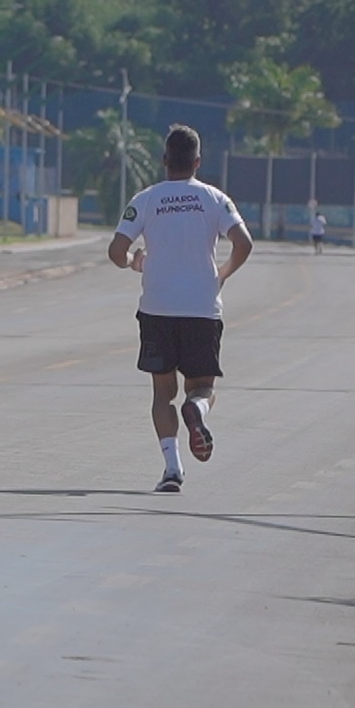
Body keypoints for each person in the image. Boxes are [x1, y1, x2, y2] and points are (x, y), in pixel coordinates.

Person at [107, 124, 253, 493]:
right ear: (198, 162)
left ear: (164, 160)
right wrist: (222, 275)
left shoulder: (146, 199)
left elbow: (116, 251)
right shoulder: (215, 199)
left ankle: (172, 468)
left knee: (162, 393)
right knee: (202, 387)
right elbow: (244, 243)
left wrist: (133, 262)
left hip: (157, 308)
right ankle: (197, 411)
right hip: (202, 309)